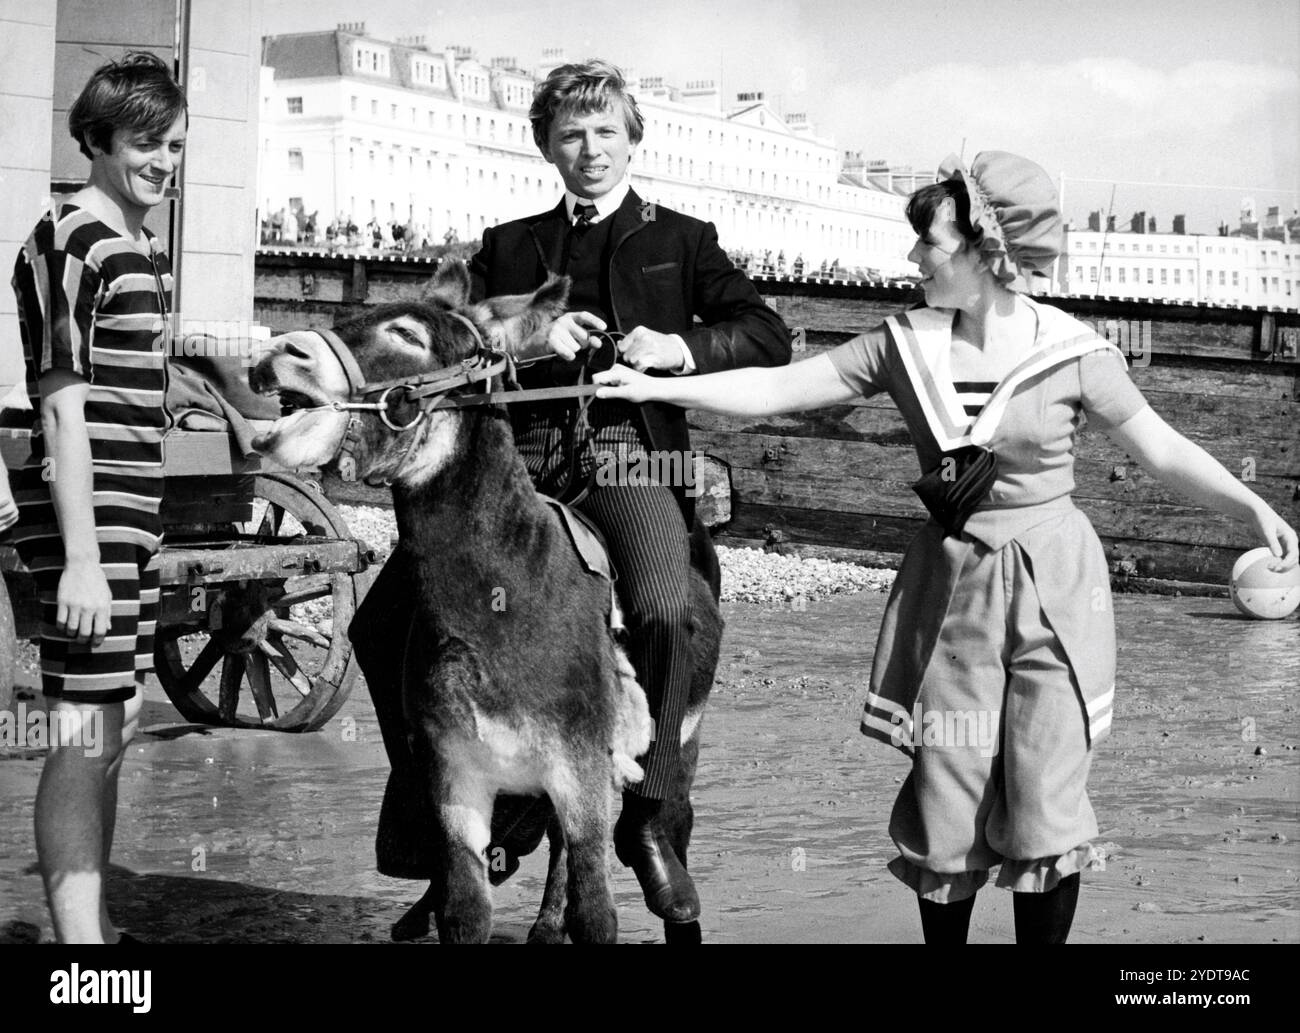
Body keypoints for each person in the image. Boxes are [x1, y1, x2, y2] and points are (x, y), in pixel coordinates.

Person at [595, 150, 1299, 943]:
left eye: (927, 242)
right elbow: (777, 389)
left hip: (1055, 594)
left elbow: (1162, 449)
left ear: (982, 252)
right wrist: (659, 386)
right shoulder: (903, 344)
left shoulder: (1076, 353)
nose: (911, 258)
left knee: (1046, 802)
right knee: (947, 792)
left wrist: (1250, 505)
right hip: (952, 592)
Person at [350, 59, 790, 924]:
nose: (590, 150)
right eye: (572, 134)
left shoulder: (683, 239)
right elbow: (444, 335)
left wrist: (680, 349)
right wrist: (535, 333)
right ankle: (446, 816)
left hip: (627, 457)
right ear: (545, 144)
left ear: (634, 139)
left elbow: (769, 335)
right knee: (379, 620)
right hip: (511, 458)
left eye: (606, 133)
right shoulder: (510, 245)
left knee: (669, 609)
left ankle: (653, 816)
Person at [8, 52, 186, 943]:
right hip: (89, 526)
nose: (165, 162)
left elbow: (128, 389)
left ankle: (94, 932)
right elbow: (62, 414)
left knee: (117, 719)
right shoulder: (67, 238)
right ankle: (79, 960)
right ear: (97, 139)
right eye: (148, 144)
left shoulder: (138, 246)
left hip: (131, 520)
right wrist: (81, 560)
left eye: (177, 146)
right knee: (83, 731)